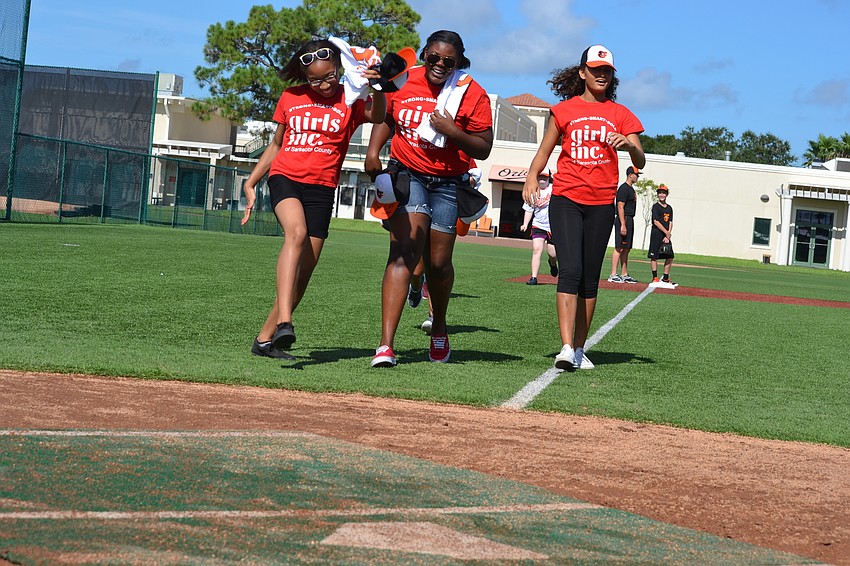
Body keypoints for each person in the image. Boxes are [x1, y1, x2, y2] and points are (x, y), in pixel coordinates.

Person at [242, 39, 386, 359]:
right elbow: (277, 145)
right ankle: (285, 322)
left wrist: (377, 86)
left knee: (303, 276)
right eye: (314, 79)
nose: (322, 84)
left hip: (323, 188)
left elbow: (378, 116)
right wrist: (251, 183)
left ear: (338, 68)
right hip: (286, 178)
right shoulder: (290, 97)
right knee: (296, 233)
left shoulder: (351, 99)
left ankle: (264, 341)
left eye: (329, 75)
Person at [366, 30, 494, 367]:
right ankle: (385, 345)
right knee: (404, 254)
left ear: (458, 63)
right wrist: (372, 150)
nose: (439, 65)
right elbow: (387, 117)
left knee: (437, 265)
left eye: (448, 61)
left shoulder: (471, 93)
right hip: (408, 174)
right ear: (424, 54)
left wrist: (453, 131)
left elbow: (484, 146)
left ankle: (439, 326)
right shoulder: (404, 80)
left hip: (449, 183)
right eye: (433, 57)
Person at [522, 44, 645, 371]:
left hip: (602, 202)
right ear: (582, 72)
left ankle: (579, 349)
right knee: (571, 270)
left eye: (607, 71)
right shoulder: (564, 110)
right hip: (567, 199)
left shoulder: (622, 114)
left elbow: (640, 159)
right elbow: (545, 149)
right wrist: (531, 176)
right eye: (595, 69)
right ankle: (565, 347)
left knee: (590, 278)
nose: (601, 75)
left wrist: (628, 144)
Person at [520, 168, 558, 285]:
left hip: (552, 226)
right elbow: (529, 210)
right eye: (540, 177)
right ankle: (534, 277)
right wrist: (525, 223)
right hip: (538, 225)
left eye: (545, 177)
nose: (542, 179)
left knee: (553, 254)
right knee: (537, 250)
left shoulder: (554, 189)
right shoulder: (532, 191)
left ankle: (552, 263)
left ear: (549, 178)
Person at [608, 166, 640, 283]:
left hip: (629, 219)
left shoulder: (631, 189)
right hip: (624, 219)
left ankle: (624, 274)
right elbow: (620, 206)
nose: (637, 177)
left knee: (626, 248)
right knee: (619, 247)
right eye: (636, 174)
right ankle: (613, 274)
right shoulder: (624, 188)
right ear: (630, 174)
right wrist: (623, 224)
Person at [648, 184, 675, 285]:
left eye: (663, 193)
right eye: (660, 193)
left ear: (667, 194)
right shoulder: (656, 206)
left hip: (665, 235)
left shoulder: (669, 208)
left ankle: (666, 277)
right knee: (654, 256)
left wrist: (668, 235)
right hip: (656, 233)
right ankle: (655, 277)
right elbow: (656, 221)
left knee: (669, 255)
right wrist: (666, 232)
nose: (662, 195)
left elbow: (671, 222)